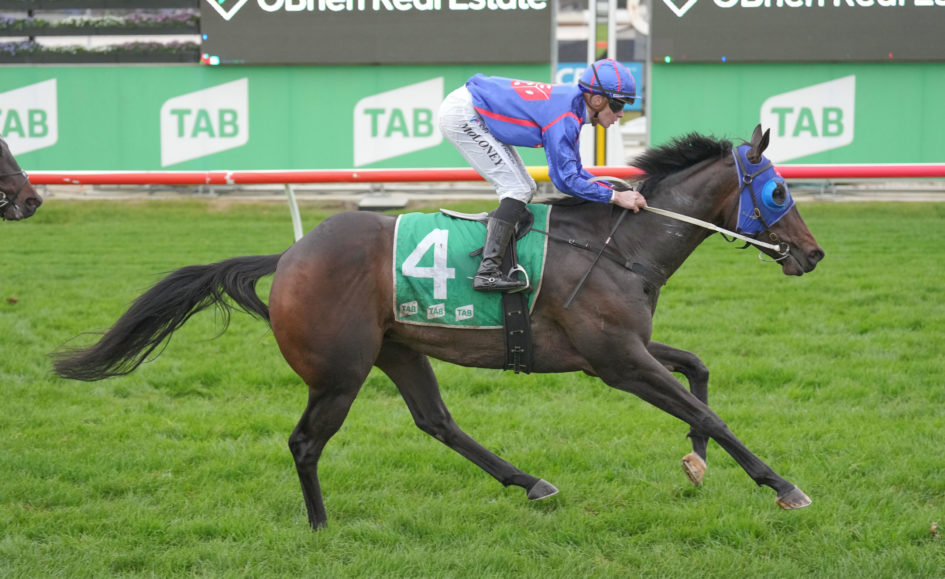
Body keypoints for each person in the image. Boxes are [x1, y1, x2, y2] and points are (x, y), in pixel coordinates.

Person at [438, 58, 648, 293]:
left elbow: (575, 171)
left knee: (525, 187)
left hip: (471, 106)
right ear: (597, 100)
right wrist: (615, 197)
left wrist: (614, 190)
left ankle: (504, 242)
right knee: (517, 189)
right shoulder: (565, 117)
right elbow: (565, 180)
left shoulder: (572, 108)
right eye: (618, 105)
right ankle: (487, 272)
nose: (621, 114)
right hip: (464, 113)